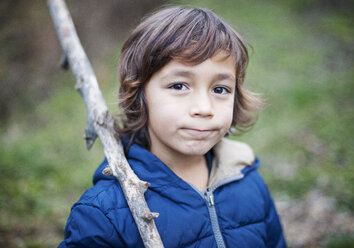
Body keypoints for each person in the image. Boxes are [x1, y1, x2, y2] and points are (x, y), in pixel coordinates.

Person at [58, 6, 286, 248]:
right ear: (139, 94)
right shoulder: (103, 215)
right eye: (179, 86)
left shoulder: (247, 181)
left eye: (220, 89)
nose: (204, 108)